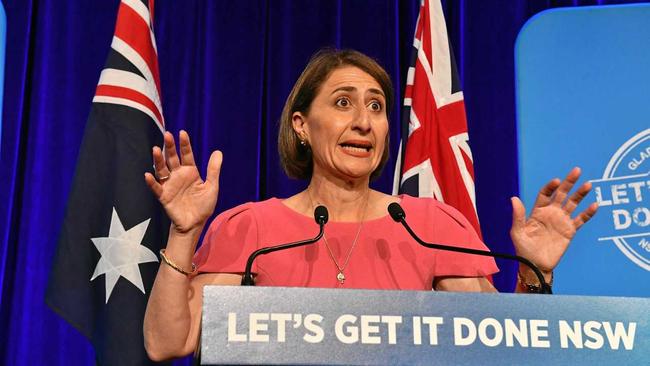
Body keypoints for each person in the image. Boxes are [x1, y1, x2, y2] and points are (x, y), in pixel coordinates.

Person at [142, 49, 597, 360]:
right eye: (343, 103)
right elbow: (169, 342)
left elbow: (500, 345)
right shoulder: (251, 227)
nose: (364, 122)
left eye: (376, 107)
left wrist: (535, 273)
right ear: (302, 125)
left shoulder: (431, 224)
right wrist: (184, 233)